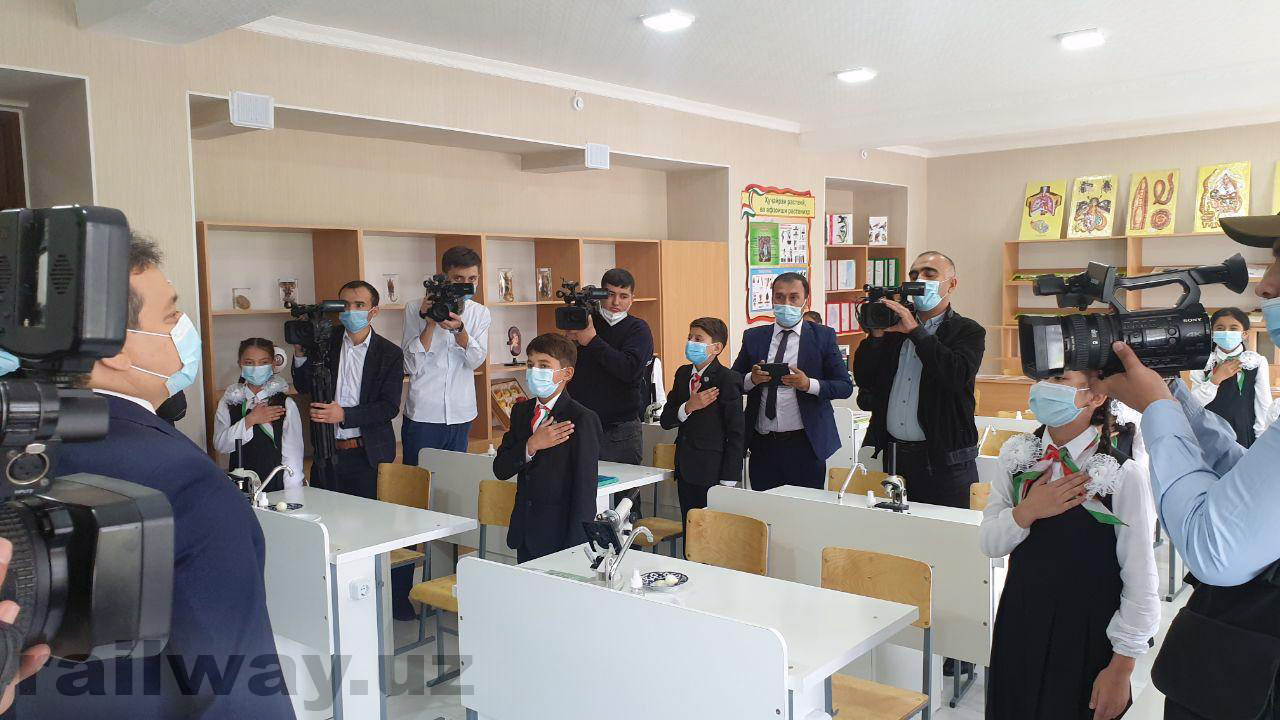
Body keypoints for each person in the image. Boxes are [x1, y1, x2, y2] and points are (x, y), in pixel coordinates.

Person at [19, 236, 293, 718]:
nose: (184, 328)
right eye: (170, 316)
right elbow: (238, 690)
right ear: (113, 349)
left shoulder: (20, 440)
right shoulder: (181, 481)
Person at [1089, 213, 1280, 719]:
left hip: (1248, 680)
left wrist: (1156, 408)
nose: (1265, 286)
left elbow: (1212, 546)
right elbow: (1249, 483)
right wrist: (1173, 394)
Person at [982, 371, 1159, 720]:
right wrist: (1027, 511)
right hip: (1021, 622)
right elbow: (989, 542)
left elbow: (1141, 579)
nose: (1044, 388)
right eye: (1042, 377)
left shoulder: (1123, 474)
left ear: (1096, 395)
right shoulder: (1017, 458)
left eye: (1060, 379)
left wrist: (1121, 667)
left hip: (1087, 634)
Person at [852, 251, 986, 508]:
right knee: (893, 529)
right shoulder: (894, 329)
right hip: (894, 456)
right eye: (913, 275)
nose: (919, 279)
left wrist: (915, 331)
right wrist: (876, 337)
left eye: (929, 274)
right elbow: (866, 379)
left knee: (944, 529)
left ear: (951, 284)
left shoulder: (968, 330)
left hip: (946, 461)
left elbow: (955, 375)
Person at [730, 272, 853, 491]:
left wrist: (809, 384)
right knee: (764, 507)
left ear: (806, 301)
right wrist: (752, 379)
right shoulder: (754, 337)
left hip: (805, 444)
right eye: (779, 297)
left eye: (793, 297)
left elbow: (844, 386)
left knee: (805, 508)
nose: (786, 303)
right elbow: (733, 381)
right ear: (772, 299)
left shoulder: (823, 336)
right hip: (763, 444)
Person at [494, 333, 602, 563]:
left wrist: (575, 548)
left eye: (544, 366)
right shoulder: (521, 412)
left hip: (561, 537)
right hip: (525, 532)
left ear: (567, 373)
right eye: (530, 365)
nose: (534, 371)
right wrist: (531, 445)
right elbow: (500, 468)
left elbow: (585, 492)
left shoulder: (582, 419)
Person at [293, 280, 403, 499]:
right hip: (326, 452)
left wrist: (344, 415)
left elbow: (388, 407)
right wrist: (300, 353)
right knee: (325, 513)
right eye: (345, 305)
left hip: (368, 455)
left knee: (368, 517)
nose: (351, 310)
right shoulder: (324, 341)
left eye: (359, 305)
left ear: (374, 311)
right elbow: (303, 386)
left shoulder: (389, 353)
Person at [401, 246, 491, 462]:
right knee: (418, 478)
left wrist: (461, 331)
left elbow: (476, 361)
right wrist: (429, 323)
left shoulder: (480, 313)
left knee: (454, 478)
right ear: (444, 277)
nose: (466, 284)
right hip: (424, 413)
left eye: (472, 278)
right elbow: (409, 366)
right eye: (458, 278)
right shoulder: (415, 308)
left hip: (461, 412)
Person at [659, 317, 745, 528]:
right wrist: (688, 407)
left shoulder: (727, 378)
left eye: (698, 339)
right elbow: (666, 420)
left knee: (710, 532)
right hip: (685, 467)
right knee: (689, 528)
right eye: (689, 337)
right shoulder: (683, 374)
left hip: (713, 470)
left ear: (716, 348)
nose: (691, 343)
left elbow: (736, 432)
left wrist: (729, 479)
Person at [565, 268, 654, 466]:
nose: (616, 302)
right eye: (610, 294)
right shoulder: (586, 322)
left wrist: (592, 340)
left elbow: (629, 370)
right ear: (599, 294)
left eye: (623, 296)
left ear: (632, 298)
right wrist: (570, 341)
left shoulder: (638, 329)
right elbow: (566, 365)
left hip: (620, 431)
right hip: (581, 425)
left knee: (624, 486)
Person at [213, 337, 303, 489]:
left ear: (273, 364)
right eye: (249, 363)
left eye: (263, 362)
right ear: (240, 364)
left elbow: (293, 457)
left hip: (276, 488)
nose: (256, 368)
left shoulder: (286, 404)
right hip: (240, 487)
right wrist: (250, 420)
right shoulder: (229, 402)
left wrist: (292, 495)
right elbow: (221, 445)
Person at [1187, 306, 1272, 447]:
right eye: (1220, 328)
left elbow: (1263, 404)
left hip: (1243, 433)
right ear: (1212, 332)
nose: (1226, 332)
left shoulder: (1255, 361)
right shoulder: (1203, 361)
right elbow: (1193, 404)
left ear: (1245, 334)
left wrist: (1261, 441)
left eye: (1233, 328)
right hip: (1208, 432)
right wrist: (1215, 380)